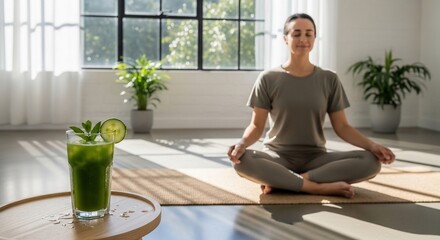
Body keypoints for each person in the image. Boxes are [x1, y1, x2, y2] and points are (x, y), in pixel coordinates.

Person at [227, 13, 395, 198]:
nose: (303, 39)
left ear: (314, 38)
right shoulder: (268, 78)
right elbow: (257, 125)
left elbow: (342, 126)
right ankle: (315, 187)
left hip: (317, 159)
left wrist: (372, 146)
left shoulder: (329, 79)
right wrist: (241, 144)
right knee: (242, 161)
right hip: (277, 157)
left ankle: (288, 181)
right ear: (285, 38)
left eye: (309, 34)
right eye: (296, 34)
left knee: (370, 162)